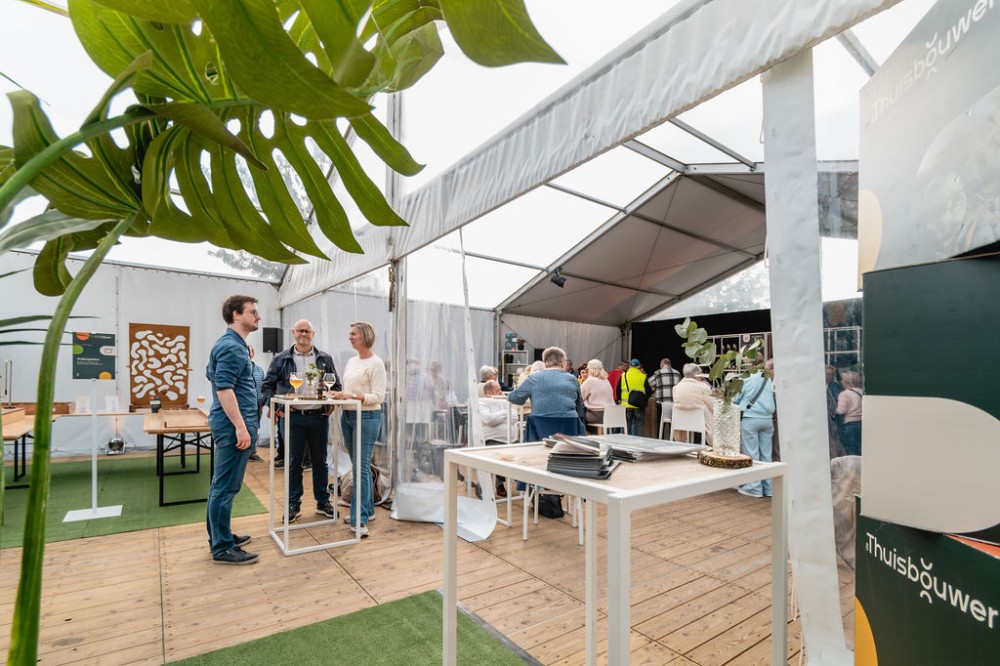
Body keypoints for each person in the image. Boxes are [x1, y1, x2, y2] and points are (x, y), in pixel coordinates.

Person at [260, 319, 340, 523]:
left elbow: (336, 386)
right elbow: (267, 386)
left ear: (313, 334)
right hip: (293, 417)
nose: (303, 334)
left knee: (320, 462)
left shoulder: (324, 358)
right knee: (294, 462)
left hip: (319, 417)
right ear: (293, 333)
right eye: (299, 331)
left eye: (307, 331)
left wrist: (332, 403)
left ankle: (323, 502)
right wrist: (276, 406)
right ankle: (293, 504)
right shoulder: (281, 359)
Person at [205, 295, 261, 565]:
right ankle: (222, 547)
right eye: (253, 312)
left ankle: (221, 535)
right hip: (232, 425)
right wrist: (240, 426)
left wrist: (246, 359)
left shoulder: (230, 345)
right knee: (226, 488)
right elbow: (223, 387)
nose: (258, 316)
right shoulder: (232, 347)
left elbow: (211, 374)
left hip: (229, 422)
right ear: (236, 315)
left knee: (221, 485)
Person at [330, 321, 387, 538]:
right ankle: (368, 511)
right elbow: (349, 389)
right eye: (349, 333)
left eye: (353, 334)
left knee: (362, 467)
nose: (350, 337)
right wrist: (340, 396)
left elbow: (378, 396)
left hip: (367, 416)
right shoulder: (352, 361)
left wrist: (351, 396)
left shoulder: (376, 363)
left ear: (364, 336)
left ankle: (359, 520)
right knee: (357, 465)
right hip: (348, 415)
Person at [734, 359, 776, 498]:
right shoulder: (767, 378)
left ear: (749, 364)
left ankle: (754, 488)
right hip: (768, 419)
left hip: (750, 418)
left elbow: (735, 398)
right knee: (766, 455)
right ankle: (768, 488)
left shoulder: (745, 377)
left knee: (752, 454)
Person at [508, 347, 584, 422]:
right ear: (563, 362)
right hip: (568, 426)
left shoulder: (533, 378)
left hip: (540, 427)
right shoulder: (573, 379)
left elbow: (514, 398)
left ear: (545, 362)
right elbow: (579, 409)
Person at [480, 380, 518, 496]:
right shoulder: (482, 403)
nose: (501, 392)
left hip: (511, 440)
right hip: (492, 440)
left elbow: (515, 418)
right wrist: (505, 413)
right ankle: (499, 483)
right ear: (489, 393)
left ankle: (520, 480)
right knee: (500, 454)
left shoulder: (504, 400)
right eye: (498, 390)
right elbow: (489, 420)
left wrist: (499, 418)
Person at [672, 363, 715, 444]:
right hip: (700, 424)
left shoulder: (676, 388)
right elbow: (713, 406)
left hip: (682, 424)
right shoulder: (703, 387)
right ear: (696, 375)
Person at [836, 370, 863, 456]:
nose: (841, 382)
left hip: (850, 425)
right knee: (861, 449)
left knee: (851, 450)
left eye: (842, 380)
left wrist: (834, 410)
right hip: (862, 423)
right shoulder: (862, 391)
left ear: (847, 382)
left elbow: (841, 411)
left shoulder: (844, 394)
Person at [618, 359, 648, 436]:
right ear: (639, 367)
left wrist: (620, 400)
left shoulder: (623, 376)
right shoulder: (643, 376)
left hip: (626, 405)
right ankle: (637, 445)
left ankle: (625, 444)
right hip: (639, 406)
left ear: (630, 366)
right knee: (639, 426)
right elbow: (648, 391)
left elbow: (618, 390)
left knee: (626, 425)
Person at [581, 359, 616, 425]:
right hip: (611, 415)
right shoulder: (606, 381)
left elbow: (579, 398)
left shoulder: (590, 381)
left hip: (596, 416)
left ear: (590, 370)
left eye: (587, 370)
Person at [649, 357, 681, 429]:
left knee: (660, 424)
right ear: (670, 364)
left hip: (661, 402)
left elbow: (649, 383)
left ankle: (661, 438)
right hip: (674, 402)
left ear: (662, 364)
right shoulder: (677, 373)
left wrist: (654, 388)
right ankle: (672, 439)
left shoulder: (658, 373)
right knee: (672, 424)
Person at [247, 345, 265, 463]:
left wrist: (263, 401)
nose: (248, 354)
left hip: (258, 404)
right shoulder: (238, 368)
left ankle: (252, 453)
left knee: (254, 428)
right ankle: (243, 453)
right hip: (244, 405)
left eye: (250, 352)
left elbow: (263, 386)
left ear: (253, 354)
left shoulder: (259, 370)